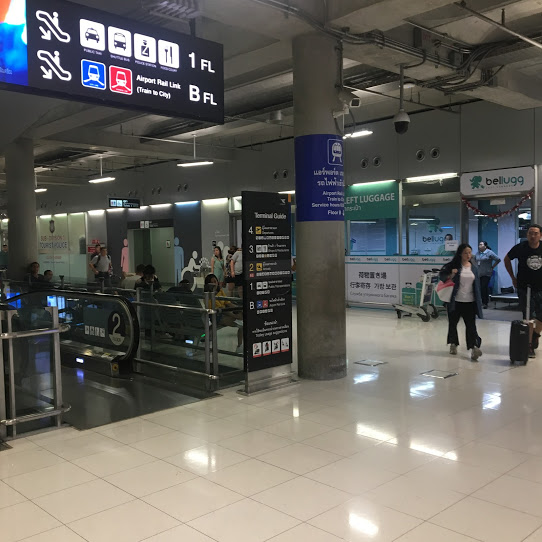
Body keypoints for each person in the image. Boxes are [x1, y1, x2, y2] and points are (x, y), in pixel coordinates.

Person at [440, 243, 483, 361]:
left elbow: (477, 286)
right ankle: (453, 343)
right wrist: (451, 275)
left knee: (471, 326)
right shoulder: (453, 266)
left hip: (470, 302)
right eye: (465, 253)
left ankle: (474, 347)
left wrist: (479, 301)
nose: (468, 255)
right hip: (455, 301)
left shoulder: (474, 268)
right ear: (460, 254)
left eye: (470, 252)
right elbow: (442, 277)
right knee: (453, 324)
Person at [504, 224, 542, 357]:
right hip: (525, 287)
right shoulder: (520, 247)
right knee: (528, 317)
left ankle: (535, 335)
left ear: (540, 235)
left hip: (540, 287)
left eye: (536, 233)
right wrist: (512, 277)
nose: (533, 236)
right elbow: (507, 259)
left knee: (540, 317)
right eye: (530, 233)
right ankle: (529, 345)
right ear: (527, 235)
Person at [204, 273, 243, 353]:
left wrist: (239, 309)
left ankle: (240, 345)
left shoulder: (220, 291)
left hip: (225, 312)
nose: (214, 284)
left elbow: (228, 303)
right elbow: (220, 310)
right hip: (217, 316)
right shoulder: (208, 296)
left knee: (241, 318)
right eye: (212, 282)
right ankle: (239, 346)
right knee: (241, 324)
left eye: (215, 281)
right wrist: (235, 316)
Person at [475, 241, 501, 309]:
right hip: (479, 273)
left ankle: (485, 302)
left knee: (484, 287)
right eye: (479, 244)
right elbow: (475, 261)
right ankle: (480, 301)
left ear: (485, 246)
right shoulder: (477, 253)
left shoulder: (489, 252)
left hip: (487, 273)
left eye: (481, 244)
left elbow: (498, 259)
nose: (479, 246)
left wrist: (492, 267)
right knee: (480, 287)